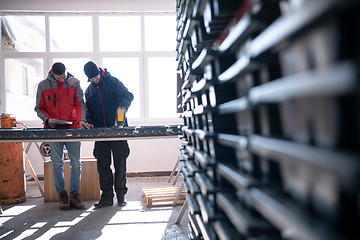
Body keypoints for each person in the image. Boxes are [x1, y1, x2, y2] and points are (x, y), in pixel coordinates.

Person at [35, 62, 92, 210]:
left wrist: (81, 120)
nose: (62, 80)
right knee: (57, 164)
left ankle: (75, 194)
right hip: (53, 130)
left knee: (76, 163)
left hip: (73, 128)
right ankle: (62, 195)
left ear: (66, 72)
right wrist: (47, 119)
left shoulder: (74, 83)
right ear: (52, 74)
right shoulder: (43, 85)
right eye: (59, 78)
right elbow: (39, 108)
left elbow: (80, 104)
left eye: (64, 77)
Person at [83, 61, 134, 208]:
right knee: (103, 165)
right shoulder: (89, 91)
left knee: (120, 163)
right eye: (91, 79)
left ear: (100, 72)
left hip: (118, 129)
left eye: (96, 77)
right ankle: (106, 197)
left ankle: (121, 195)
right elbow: (88, 112)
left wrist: (121, 109)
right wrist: (90, 121)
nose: (94, 80)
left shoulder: (113, 82)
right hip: (100, 133)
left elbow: (128, 96)